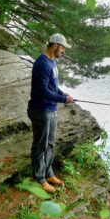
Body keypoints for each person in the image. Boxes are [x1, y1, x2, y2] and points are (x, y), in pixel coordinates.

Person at [27, 33, 75, 193]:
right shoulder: (42, 63)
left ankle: (48, 174)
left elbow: (52, 88)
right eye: (62, 48)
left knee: (49, 144)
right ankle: (38, 178)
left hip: (51, 109)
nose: (63, 51)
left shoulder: (52, 62)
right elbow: (42, 91)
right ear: (55, 46)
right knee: (40, 145)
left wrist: (63, 94)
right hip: (41, 110)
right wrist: (62, 100)